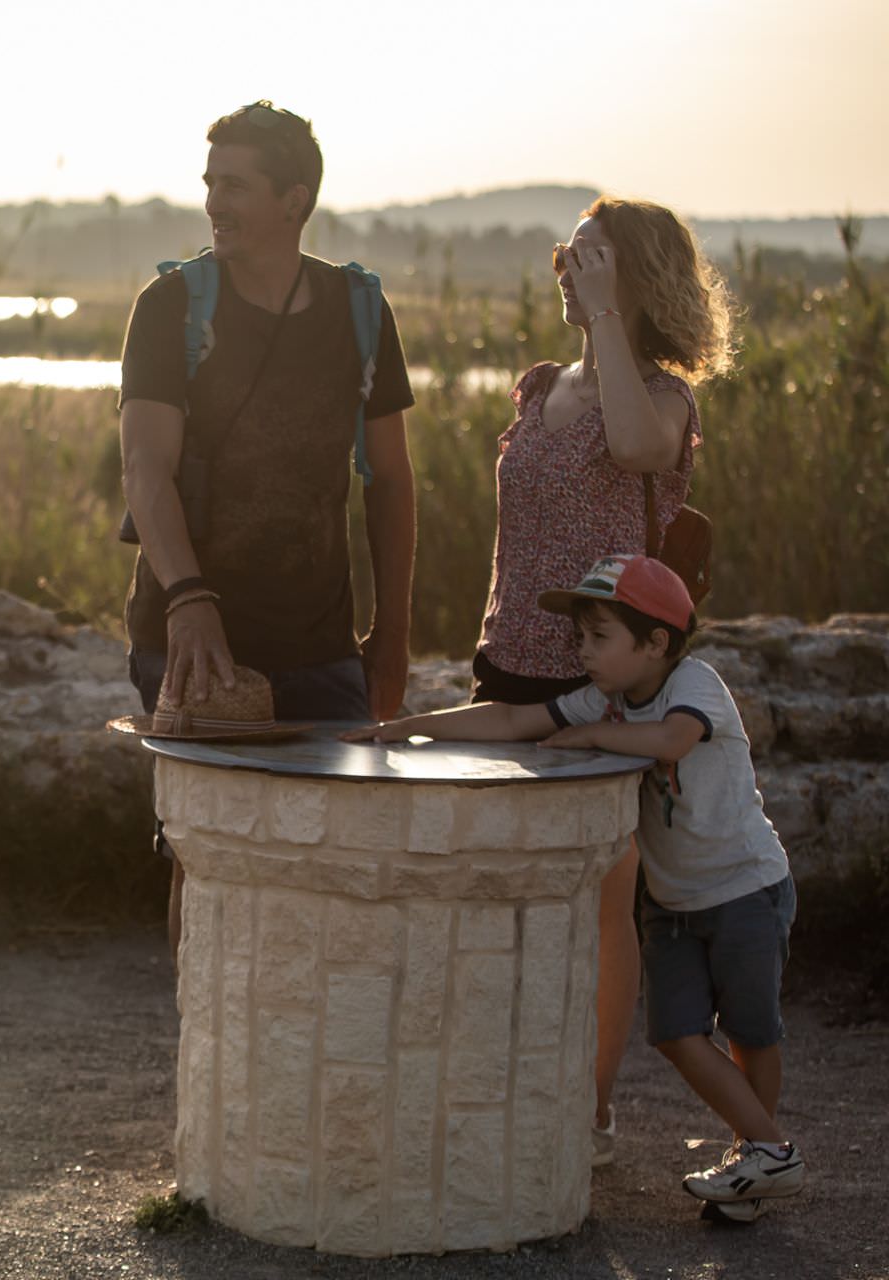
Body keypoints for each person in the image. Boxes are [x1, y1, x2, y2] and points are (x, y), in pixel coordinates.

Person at [347, 555, 802, 1218]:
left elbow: (674, 741)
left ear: (656, 644)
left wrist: (592, 733)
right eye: (580, 637)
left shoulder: (694, 683)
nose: (583, 651)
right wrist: (405, 727)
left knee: (751, 1032)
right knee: (676, 1033)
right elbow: (510, 721)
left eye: (599, 637)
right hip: (673, 904)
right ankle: (770, 1151)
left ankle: (757, 1157)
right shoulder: (608, 699)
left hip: (746, 890)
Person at [473, 195, 736, 1165]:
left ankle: (587, 1107)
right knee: (503, 891)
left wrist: (612, 321)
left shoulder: (662, 397)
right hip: (509, 659)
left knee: (600, 899)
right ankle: (503, 1085)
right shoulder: (540, 387)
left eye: (590, 260)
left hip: (607, 677)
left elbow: (633, 451)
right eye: (566, 257)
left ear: (633, 280)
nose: (567, 272)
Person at [118, 101, 417, 951]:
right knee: (208, 859)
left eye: (235, 185)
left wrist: (390, 636)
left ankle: (301, 1072)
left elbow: (390, 483)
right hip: (188, 637)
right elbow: (145, 469)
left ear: (295, 199)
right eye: (210, 182)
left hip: (322, 644)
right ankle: (208, 1063)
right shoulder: (171, 306)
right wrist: (188, 599)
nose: (213, 202)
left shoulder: (360, 312)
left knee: (336, 860)